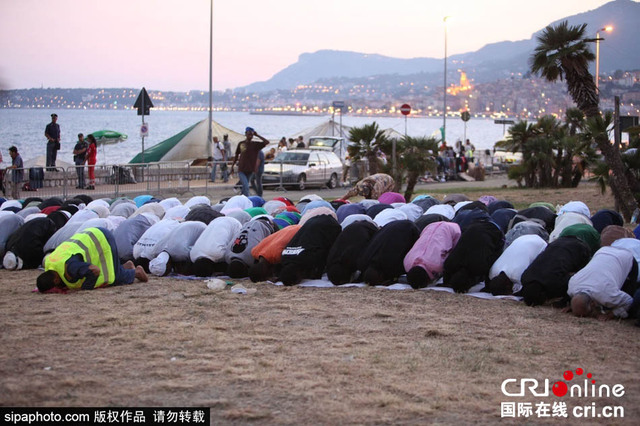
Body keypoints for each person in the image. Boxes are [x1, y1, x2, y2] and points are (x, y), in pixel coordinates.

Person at [36, 227, 148, 293]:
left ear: (56, 280)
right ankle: (125, 266)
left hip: (102, 239)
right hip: (92, 235)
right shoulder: (50, 263)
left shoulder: (70, 268)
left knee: (113, 279)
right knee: (110, 270)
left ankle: (137, 272)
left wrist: (86, 289)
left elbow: (95, 270)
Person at [567, 246, 637, 319]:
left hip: (626, 258)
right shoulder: (572, 286)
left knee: (630, 311)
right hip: (603, 251)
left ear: (592, 303)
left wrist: (610, 315)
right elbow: (578, 302)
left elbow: (629, 301)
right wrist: (575, 308)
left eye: (587, 314)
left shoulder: (607, 294)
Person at [231, 127, 269, 197]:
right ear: (245, 134)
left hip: (250, 170)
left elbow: (267, 142)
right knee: (246, 185)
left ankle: (242, 198)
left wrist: (257, 135)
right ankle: (247, 200)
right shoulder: (241, 144)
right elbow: (236, 155)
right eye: (249, 134)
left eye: (251, 135)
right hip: (242, 169)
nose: (250, 136)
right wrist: (232, 166)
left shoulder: (255, 145)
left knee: (245, 187)